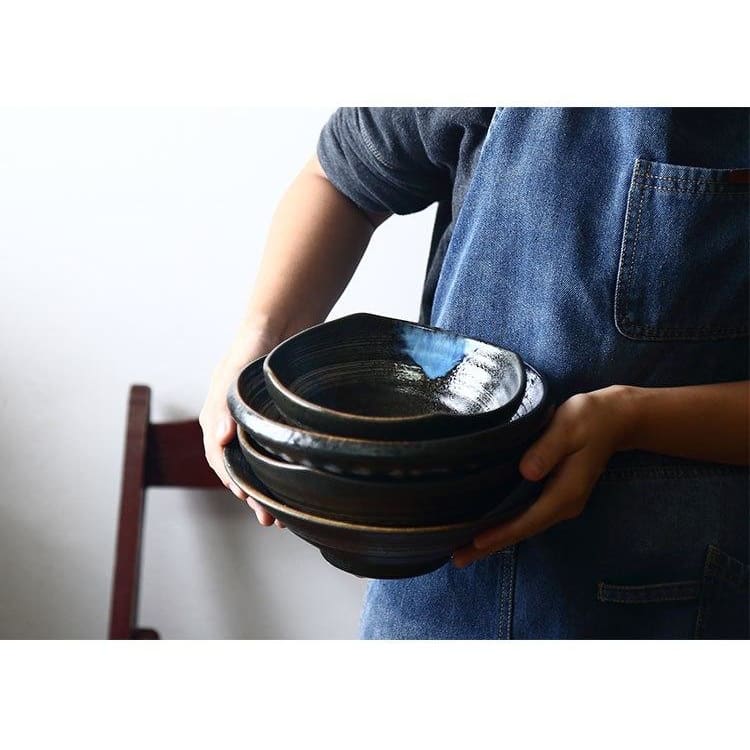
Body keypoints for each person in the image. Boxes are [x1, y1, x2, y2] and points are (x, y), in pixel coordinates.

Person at [200, 108, 749, 639]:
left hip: (666, 599)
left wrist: (632, 419)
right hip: (433, 588)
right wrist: (258, 338)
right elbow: (340, 180)